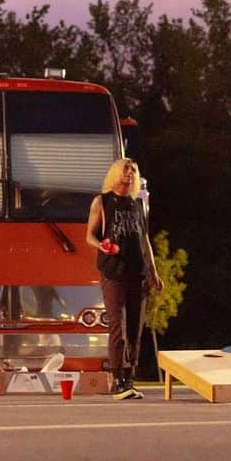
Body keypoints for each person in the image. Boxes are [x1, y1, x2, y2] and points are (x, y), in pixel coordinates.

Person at [85, 158, 164, 400]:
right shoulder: (102, 202)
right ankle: (117, 378)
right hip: (113, 272)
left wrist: (153, 271)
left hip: (137, 273)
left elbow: (145, 240)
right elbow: (89, 235)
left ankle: (129, 377)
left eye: (133, 170)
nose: (129, 174)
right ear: (115, 173)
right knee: (117, 325)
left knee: (135, 328)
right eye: (125, 169)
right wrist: (102, 246)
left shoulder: (138, 205)